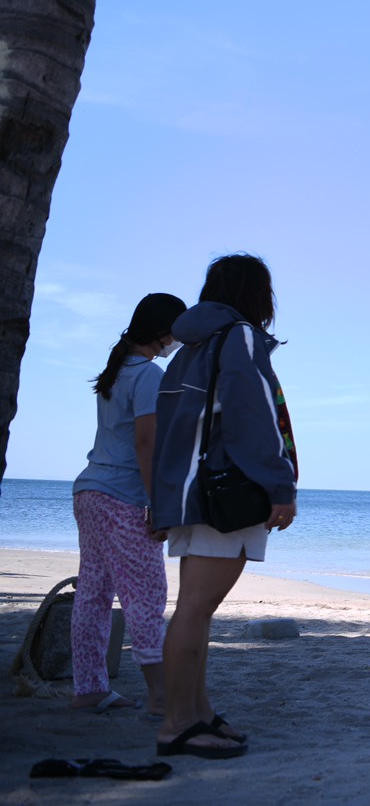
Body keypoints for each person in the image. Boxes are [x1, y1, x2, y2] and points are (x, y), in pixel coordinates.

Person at [149, 254, 298, 759]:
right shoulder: (239, 337)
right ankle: (177, 725)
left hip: (192, 493)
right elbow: (252, 416)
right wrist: (281, 486)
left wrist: (162, 500)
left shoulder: (192, 345)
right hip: (223, 496)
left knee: (196, 609)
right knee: (194, 609)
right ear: (258, 294)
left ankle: (198, 713)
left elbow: (170, 426)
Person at [69, 292, 187, 714]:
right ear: (163, 332)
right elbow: (145, 443)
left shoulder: (116, 370)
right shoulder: (148, 376)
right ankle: (159, 693)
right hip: (121, 496)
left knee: (94, 593)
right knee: (146, 594)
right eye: (178, 330)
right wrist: (159, 504)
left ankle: (90, 688)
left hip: (89, 491)